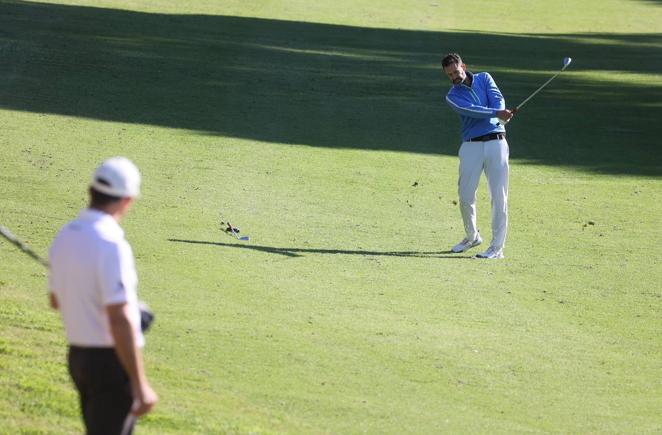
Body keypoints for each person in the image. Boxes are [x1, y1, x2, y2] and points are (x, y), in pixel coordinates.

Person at [48, 157, 157, 434]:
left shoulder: (66, 234)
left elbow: (56, 300)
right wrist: (140, 383)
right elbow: (119, 320)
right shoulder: (111, 244)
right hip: (109, 362)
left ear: (91, 191)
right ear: (127, 201)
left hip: (79, 358)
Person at [442, 53, 514, 259]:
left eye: (456, 71)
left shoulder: (485, 78)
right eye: (449, 75)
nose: (454, 77)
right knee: (465, 196)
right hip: (471, 146)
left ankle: (496, 248)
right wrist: (496, 114)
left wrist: (501, 112)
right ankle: (472, 236)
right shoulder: (452, 96)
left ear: (463, 66)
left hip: (497, 143)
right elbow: (470, 110)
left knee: (499, 197)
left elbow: (497, 98)